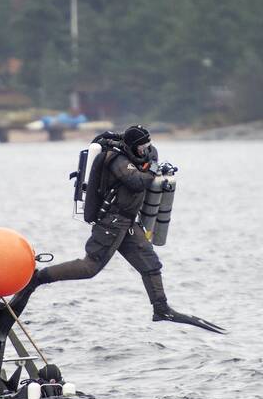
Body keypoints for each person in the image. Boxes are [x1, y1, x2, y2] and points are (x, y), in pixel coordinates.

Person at [11, 125, 224, 333]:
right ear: (132, 146)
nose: (146, 150)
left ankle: (161, 309)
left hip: (129, 223)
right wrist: (154, 167)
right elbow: (136, 182)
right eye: (142, 147)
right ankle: (37, 279)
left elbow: (149, 162)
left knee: (151, 264)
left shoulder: (139, 155)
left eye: (148, 145)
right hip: (111, 223)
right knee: (90, 267)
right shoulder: (117, 160)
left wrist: (153, 163)